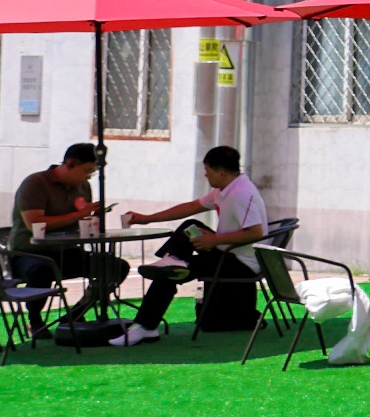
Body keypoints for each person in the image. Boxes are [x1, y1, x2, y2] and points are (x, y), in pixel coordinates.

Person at [113, 144, 273, 343]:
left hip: (241, 264)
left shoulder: (240, 193)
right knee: (190, 226)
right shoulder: (224, 188)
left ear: (221, 173)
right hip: (226, 252)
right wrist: (147, 218)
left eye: (207, 171)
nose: (205, 175)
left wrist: (215, 239)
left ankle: (146, 326)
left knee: (168, 274)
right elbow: (191, 207)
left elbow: (256, 233)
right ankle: (174, 260)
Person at [8, 142, 125, 338]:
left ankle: (77, 312)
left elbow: (81, 220)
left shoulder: (83, 187)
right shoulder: (36, 183)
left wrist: (93, 218)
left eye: (93, 172)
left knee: (116, 267)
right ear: (70, 164)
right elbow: (34, 224)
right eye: (86, 171)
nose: (89, 176)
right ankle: (35, 321)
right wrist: (79, 215)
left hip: (68, 251)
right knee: (42, 270)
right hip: (29, 253)